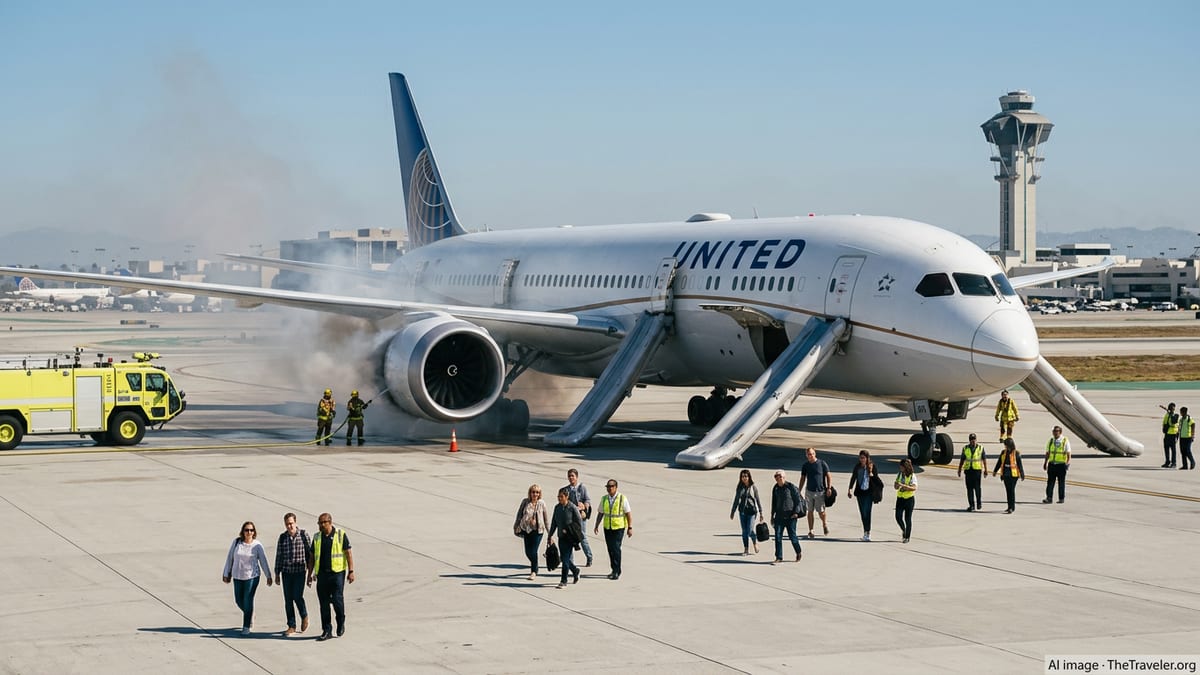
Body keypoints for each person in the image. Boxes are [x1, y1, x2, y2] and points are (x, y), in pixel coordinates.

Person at [308, 513, 355, 641]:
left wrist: (351, 571)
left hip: (337, 573)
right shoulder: (317, 537)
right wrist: (309, 574)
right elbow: (312, 557)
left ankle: (340, 621)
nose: (321, 525)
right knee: (323, 604)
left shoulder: (340, 534)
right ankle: (327, 630)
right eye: (319, 523)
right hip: (322, 575)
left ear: (330, 522)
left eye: (324, 522)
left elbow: (348, 553)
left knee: (337, 600)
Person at [222, 520, 273, 635]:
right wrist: (226, 573)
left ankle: (246, 627)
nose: (249, 532)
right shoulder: (237, 542)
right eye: (246, 530)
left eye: (251, 530)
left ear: (254, 532)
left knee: (248, 600)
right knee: (238, 600)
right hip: (237, 576)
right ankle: (250, 614)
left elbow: (263, 561)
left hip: (252, 577)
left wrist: (268, 575)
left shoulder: (257, 545)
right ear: (243, 531)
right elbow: (230, 558)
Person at [274, 512, 312, 636]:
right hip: (286, 572)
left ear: (295, 522)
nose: (289, 526)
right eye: (287, 524)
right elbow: (279, 555)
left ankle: (304, 615)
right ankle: (291, 625)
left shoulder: (303, 535)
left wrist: (311, 573)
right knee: (288, 599)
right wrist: (277, 573)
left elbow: (310, 554)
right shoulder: (282, 537)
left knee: (297, 596)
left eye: (291, 523)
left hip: (299, 572)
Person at [593, 479, 632, 580]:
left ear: (616, 487)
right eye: (608, 487)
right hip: (608, 527)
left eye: (611, 486)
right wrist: (596, 525)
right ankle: (614, 569)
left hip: (619, 527)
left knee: (616, 548)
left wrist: (630, 527)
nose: (609, 488)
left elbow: (628, 513)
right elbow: (600, 513)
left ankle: (617, 570)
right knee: (610, 549)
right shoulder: (604, 499)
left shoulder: (622, 498)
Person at [547, 487, 584, 589]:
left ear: (567, 496)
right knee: (564, 558)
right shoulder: (557, 508)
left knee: (565, 558)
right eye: (558, 497)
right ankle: (575, 570)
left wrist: (570, 530)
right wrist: (550, 535)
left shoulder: (572, 507)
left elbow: (578, 523)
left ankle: (563, 581)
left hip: (570, 538)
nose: (559, 498)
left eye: (561, 497)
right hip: (561, 537)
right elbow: (554, 522)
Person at [512, 484, 550, 580]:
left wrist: (550, 533)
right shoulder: (525, 502)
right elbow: (519, 514)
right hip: (527, 530)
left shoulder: (542, 503)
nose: (535, 494)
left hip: (538, 531)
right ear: (530, 493)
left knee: (533, 551)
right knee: (528, 552)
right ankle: (535, 565)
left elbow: (546, 519)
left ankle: (534, 571)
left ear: (540, 494)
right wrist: (516, 526)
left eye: (537, 492)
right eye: (533, 492)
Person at [797, 447, 832, 539]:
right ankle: (811, 530)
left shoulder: (822, 463)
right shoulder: (805, 465)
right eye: (809, 454)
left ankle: (824, 523)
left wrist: (829, 488)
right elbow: (803, 478)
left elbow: (828, 476)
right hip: (809, 491)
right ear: (806, 455)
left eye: (812, 454)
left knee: (821, 512)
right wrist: (799, 490)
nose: (811, 456)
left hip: (820, 492)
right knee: (810, 511)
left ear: (815, 454)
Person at [561, 468, 594, 566]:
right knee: (569, 538)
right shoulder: (566, 490)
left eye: (573, 476)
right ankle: (570, 562)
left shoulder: (582, 488)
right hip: (570, 517)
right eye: (569, 476)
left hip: (580, 517)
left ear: (577, 477)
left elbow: (587, 500)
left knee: (582, 537)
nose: (571, 478)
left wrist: (584, 507)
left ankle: (589, 556)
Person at [769, 470, 803, 563]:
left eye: (780, 476)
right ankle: (779, 557)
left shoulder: (791, 487)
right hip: (779, 516)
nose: (778, 478)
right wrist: (772, 516)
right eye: (776, 476)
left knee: (792, 537)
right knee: (777, 537)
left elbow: (798, 500)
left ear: (784, 477)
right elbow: (774, 503)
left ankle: (798, 552)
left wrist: (796, 512)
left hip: (791, 517)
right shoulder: (775, 488)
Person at [730, 469, 764, 554]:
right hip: (742, 511)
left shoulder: (753, 487)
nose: (744, 478)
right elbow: (736, 500)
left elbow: (758, 500)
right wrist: (733, 511)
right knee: (744, 531)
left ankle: (754, 542)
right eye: (742, 476)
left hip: (752, 512)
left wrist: (761, 512)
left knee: (750, 529)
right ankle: (746, 548)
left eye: (746, 476)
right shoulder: (740, 487)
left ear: (749, 477)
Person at [847, 451, 878, 541]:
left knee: (867, 512)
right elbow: (853, 478)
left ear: (867, 458)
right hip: (860, 493)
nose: (861, 460)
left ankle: (867, 532)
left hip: (869, 493)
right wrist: (850, 489)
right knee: (862, 513)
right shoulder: (857, 467)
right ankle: (865, 531)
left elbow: (876, 480)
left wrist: (871, 475)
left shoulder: (872, 466)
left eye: (863, 458)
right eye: (860, 458)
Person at [992, 438, 1026, 514]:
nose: (1005, 447)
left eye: (1006, 445)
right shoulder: (1003, 452)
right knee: (1008, 491)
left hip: (1013, 475)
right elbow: (999, 462)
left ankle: (1012, 507)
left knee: (1011, 490)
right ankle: (1009, 506)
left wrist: (1022, 474)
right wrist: (995, 471)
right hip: (1005, 474)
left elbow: (1019, 464)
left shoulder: (1016, 453)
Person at [956, 433, 987, 512]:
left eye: (974, 439)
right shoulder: (965, 448)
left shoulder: (980, 448)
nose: (973, 441)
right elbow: (962, 459)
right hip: (968, 471)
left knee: (977, 488)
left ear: (976, 440)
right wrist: (959, 469)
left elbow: (984, 459)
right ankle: (971, 505)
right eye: (971, 440)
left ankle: (979, 502)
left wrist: (986, 470)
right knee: (969, 489)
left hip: (977, 470)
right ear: (969, 440)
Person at [1042, 426, 1071, 504]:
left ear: (1060, 432)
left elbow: (1068, 453)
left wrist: (1068, 462)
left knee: (1061, 483)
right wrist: (1045, 462)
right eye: (1054, 431)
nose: (1055, 433)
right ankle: (1049, 498)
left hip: (1061, 465)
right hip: (1052, 464)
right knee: (1050, 482)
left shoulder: (1065, 440)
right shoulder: (1051, 441)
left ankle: (1061, 498)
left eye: (1057, 431)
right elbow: (1047, 453)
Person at [894, 459, 917, 543]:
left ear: (906, 467)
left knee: (907, 518)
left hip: (909, 499)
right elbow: (895, 485)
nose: (900, 469)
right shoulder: (900, 474)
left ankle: (907, 536)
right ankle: (904, 529)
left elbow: (914, 487)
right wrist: (897, 485)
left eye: (902, 467)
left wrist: (904, 486)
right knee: (898, 516)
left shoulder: (912, 476)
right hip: (900, 498)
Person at [1161, 402, 1180, 468]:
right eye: (1170, 408)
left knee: (1173, 449)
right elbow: (1164, 422)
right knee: (1166, 448)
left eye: (1172, 408)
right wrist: (1163, 428)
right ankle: (1167, 461)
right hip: (1167, 434)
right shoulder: (1167, 415)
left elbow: (1173, 422)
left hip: (1173, 434)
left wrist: (1171, 414)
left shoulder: (1176, 416)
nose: (1171, 409)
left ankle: (1174, 463)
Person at [1179, 406, 1195, 470]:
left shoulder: (1189, 419)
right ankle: (1185, 465)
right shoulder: (1181, 419)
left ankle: (1192, 462)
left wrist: (1192, 435)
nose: (1180, 413)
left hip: (1188, 437)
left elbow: (1193, 425)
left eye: (1181, 412)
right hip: (1182, 437)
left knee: (1188, 451)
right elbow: (1179, 427)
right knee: (1182, 452)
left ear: (1184, 412)